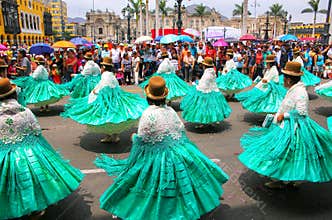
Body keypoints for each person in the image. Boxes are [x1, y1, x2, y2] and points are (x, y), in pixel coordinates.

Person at [95, 76, 229, 219]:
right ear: (164, 96)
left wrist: (133, 138)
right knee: (184, 184)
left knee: (146, 182)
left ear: (148, 96)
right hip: (179, 151)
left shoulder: (148, 114)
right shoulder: (170, 110)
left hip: (158, 155)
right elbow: (179, 130)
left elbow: (142, 140)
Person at [238, 61, 332, 189]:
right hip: (285, 125)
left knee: (287, 154)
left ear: (288, 79)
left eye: (285, 78)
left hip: (294, 128)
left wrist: (285, 116)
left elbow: (302, 112)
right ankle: (286, 179)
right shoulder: (294, 89)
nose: (283, 80)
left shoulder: (299, 91)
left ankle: (285, 179)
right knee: (284, 154)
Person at [0, 78, 83, 219]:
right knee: (32, 180)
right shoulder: (25, 111)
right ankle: (35, 210)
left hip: (6, 155)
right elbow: (37, 131)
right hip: (30, 152)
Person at [62, 57, 148, 143]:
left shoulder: (105, 75)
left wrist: (95, 93)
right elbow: (114, 86)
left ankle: (111, 136)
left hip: (107, 100)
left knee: (107, 118)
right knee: (114, 117)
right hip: (114, 100)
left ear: (103, 67)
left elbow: (103, 87)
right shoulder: (111, 75)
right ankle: (113, 136)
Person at [181, 57, 232, 125]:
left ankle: (204, 122)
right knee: (211, 107)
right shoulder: (212, 72)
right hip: (213, 91)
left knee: (203, 107)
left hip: (206, 92)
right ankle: (210, 122)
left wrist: (196, 85)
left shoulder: (207, 74)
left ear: (205, 66)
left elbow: (203, 86)